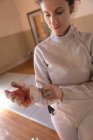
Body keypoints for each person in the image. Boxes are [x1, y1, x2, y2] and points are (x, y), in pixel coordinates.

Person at [5, 0, 93, 139]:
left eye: (59, 12)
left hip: (89, 112)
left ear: (71, 7)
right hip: (59, 115)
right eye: (47, 14)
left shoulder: (89, 41)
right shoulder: (41, 50)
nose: (53, 21)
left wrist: (62, 92)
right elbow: (44, 97)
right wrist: (33, 94)